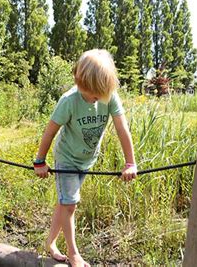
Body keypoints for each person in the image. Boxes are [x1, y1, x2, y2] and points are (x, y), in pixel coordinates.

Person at [34, 49, 137, 267]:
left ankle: (50, 243)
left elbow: (122, 129)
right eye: (92, 94)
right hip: (67, 158)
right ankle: (73, 253)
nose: (96, 99)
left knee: (65, 203)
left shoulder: (109, 96)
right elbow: (50, 131)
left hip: (87, 160)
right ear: (79, 83)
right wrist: (40, 161)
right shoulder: (69, 100)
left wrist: (130, 163)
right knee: (70, 204)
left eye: (101, 95)